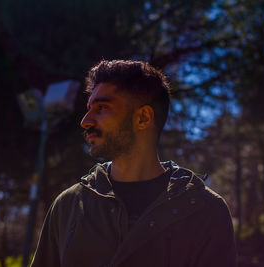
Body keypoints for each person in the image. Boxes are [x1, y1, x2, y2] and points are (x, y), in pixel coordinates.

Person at [31, 60, 237, 267]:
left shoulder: (206, 210)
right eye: (89, 108)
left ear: (143, 118)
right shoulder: (68, 206)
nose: (86, 120)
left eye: (102, 107)